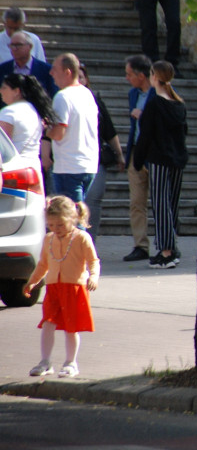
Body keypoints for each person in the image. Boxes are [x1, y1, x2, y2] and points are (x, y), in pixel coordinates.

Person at [25, 196, 100, 379]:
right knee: (48, 323)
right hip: (54, 288)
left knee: (71, 327)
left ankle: (70, 362)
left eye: (60, 225)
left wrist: (94, 277)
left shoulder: (82, 237)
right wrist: (32, 281)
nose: (55, 229)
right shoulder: (49, 239)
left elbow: (93, 261)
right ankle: (45, 361)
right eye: (51, 225)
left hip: (74, 288)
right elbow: (43, 264)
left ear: (72, 219)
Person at [133, 61, 188, 269]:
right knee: (171, 204)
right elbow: (184, 133)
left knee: (161, 204)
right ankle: (171, 247)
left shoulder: (155, 103)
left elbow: (146, 135)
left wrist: (138, 160)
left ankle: (166, 251)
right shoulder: (179, 104)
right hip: (177, 160)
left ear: (155, 77)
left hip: (160, 159)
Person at [78, 63, 126, 246]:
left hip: (95, 159)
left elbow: (109, 131)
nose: (79, 81)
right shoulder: (60, 99)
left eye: (81, 77)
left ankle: (89, 243)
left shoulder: (96, 102)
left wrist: (120, 155)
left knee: (93, 201)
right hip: (69, 160)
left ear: (87, 79)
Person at [46, 54, 99, 203]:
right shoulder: (87, 93)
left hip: (68, 166)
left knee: (70, 219)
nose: (51, 73)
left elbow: (58, 133)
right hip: (88, 165)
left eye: (54, 69)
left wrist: (45, 129)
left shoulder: (62, 96)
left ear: (67, 72)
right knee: (76, 215)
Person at [123, 55, 154, 262]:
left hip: (155, 153)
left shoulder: (161, 92)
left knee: (161, 202)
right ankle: (140, 245)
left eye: (129, 74)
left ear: (141, 75)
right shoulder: (132, 94)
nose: (127, 78)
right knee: (136, 202)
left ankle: (167, 245)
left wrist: (143, 115)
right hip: (136, 152)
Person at [0, 74, 55, 180]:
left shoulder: (9, 112)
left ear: (16, 91)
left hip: (13, 173)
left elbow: (2, 148)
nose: (1, 91)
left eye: (4, 87)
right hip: (34, 171)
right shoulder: (35, 111)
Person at [0, 30, 56, 98]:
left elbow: (52, 96)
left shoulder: (46, 70)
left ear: (30, 46)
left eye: (18, 45)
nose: (14, 49)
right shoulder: (3, 69)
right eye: (12, 45)